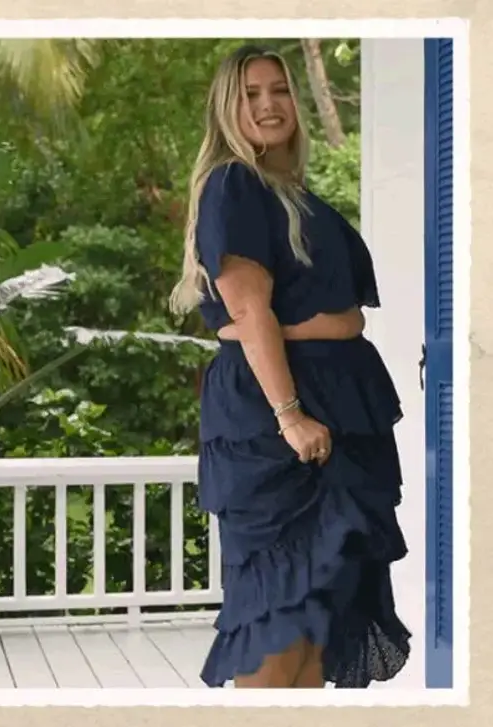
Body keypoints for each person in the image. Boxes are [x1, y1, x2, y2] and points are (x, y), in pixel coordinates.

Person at [169, 43, 411, 689]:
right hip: (280, 422)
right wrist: (289, 414)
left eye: (278, 90)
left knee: (317, 621)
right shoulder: (234, 184)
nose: (269, 104)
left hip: (336, 412)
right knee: (277, 619)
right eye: (250, 94)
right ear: (226, 108)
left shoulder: (287, 190)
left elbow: (278, 311)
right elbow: (248, 310)